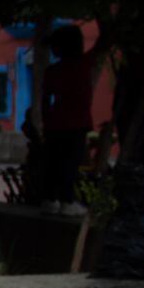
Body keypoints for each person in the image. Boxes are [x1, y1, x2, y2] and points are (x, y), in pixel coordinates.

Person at [41, 24, 95, 213]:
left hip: (56, 124)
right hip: (75, 124)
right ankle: (66, 200)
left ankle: (51, 198)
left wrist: (45, 121)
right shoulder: (83, 65)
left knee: (54, 163)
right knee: (69, 163)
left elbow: (45, 101)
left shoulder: (53, 71)